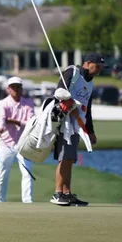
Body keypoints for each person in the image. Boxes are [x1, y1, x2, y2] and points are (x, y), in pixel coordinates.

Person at [50, 52, 103, 206]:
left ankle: (67, 193)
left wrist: (90, 131)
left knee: (70, 158)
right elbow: (60, 92)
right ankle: (57, 193)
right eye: (97, 66)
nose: (99, 69)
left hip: (77, 125)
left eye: (101, 67)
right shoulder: (72, 72)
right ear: (87, 63)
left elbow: (88, 108)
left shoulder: (90, 82)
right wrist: (70, 105)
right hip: (63, 121)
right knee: (64, 157)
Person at [0, 76, 35, 203]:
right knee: (3, 174)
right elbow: (1, 119)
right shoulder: (3, 103)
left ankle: (27, 201)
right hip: (6, 144)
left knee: (27, 173)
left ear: (21, 88)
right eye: (13, 87)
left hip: (24, 144)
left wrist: (15, 122)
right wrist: (0, 128)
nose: (15, 89)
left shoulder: (28, 103)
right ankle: (0, 201)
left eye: (18, 87)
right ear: (8, 89)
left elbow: (32, 123)